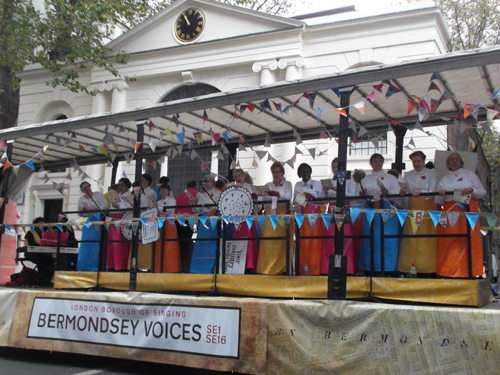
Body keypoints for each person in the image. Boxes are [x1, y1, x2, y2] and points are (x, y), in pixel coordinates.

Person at [437, 152, 486, 278]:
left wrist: (472, 190)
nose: (454, 161)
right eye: (451, 159)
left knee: (470, 239)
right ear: (448, 163)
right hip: (451, 211)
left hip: (468, 210)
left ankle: (472, 270)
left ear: (461, 161)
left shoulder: (470, 175)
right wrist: (440, 193)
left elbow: (482, 192)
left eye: (457, 159)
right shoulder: (444, 179)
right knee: (450, 240)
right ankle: (449, 270)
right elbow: (438, 200)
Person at [357, 154, 401, 274]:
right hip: (370, 211)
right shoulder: (365, 179)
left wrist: (388, 192)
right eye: (375, 161)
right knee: (369, 239)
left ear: (383, 162)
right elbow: (358, 198)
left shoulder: (390, 178)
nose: (377, 163)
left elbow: (397, 194)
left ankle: (388, 267)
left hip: (386, 211)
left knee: (386, 240)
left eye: (380, 161)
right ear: (371, 163)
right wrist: (362, 194)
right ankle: (369, 267)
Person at [398, 151, 438, 275]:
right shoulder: (408, 174)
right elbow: (405, 190)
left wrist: (421, 192)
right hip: (412, 207)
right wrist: (403, 192)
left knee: (425, 237)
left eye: (418, 161)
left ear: (424, 161)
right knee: (411, 236)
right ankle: (408, 266)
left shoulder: (432, 173)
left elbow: (432, 190)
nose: (416, 164)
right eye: (414, 161)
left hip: (427, 207)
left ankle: (428, 267)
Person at [320, 158, 358, 275]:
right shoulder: (331, 181)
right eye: (333, 167)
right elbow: (323, 198)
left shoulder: (350, 181)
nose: (334, 170)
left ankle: (348, 268)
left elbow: (353, 195)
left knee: (345, 237)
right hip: (331, 209)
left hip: (344, 209)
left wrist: (337, 189)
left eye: (336, 167)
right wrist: (326, 191)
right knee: (330, 239)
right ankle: (328, 268)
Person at [257, 162, 293, 275]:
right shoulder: (268, 184)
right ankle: (267, 268)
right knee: (267, 239)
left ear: (282, 173)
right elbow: (262, 201)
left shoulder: (288, 184)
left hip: (283, 213)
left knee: (282, 241)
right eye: (274, 172)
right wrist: (258, 195)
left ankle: (281, 268)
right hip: (269, 214)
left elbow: (288, 197)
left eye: (278, 172)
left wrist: (277, 194)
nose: (276, 174)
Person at [293, 163, 324, 275]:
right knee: (304, 243)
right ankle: (303, 269)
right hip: (303, 215)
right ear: (299, 174)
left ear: (310, 172)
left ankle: (315, 269)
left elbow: (323, 201)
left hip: (316, 215)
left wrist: (312, 198)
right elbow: (295, 203)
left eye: (307, 171)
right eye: (302, 172)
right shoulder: (297, 185)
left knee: (315, 242)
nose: (305, 173)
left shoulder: (318, 184)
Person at [229, 168, 258, 273]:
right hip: (237, 216)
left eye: (239, 176)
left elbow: (255, 202)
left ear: (244, 176)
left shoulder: (250, 187)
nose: (237, 178)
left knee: (248, 239)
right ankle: (237, 263)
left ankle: (249, 264)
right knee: (237, 238)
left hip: (247, 216)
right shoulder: (233, 188)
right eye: (235, 177)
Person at [190, 176, 221, 273]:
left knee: (211, 243)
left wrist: (209, 206)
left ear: (212, 182)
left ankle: (210, 268)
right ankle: (198, 268)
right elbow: (197, 210)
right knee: (201, 243)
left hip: (213, 219)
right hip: (203, 220)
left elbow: (219, 206)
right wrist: (193, 203)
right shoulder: (202, 195)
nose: (205, 183)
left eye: (207, 181)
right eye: (204, 181)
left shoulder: (219, 193)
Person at [76, 181, 108, 271]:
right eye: (84, 188)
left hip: (98, 220)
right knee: (87, 243)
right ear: (82, 190)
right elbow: (79, 212)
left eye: (88, 186)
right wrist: (83, 210)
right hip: (88, 222)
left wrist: (94, 209)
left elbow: (105, 205)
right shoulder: (81, 199)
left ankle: (97, 266)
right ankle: (85, 266)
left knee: (97, 244)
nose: (87, 189)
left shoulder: (97, 195)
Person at [106, 178, 132, 271]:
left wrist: (119, 206)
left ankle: (121, 266)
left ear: (127, 186)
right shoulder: (117, 195)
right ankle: (112, 265)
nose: (120, 187)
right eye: (119, 185)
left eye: (122, 185)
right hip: (113, 219)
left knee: (120, 244)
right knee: (112, 244)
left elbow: (131, 206)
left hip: (123, 218)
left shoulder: (130, 195)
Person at [154, 183, 181, 273]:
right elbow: (155, 211)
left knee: (170, 245)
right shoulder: (159, 201)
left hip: (169, 224)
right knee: (159, 245)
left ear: (169, 191)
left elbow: (169, 210)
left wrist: (157, 209)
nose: (163, 192)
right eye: (161, 190)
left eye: (164, 190)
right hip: (160, 224)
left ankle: (171, 268)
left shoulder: (172, 200)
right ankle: (159, 267)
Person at [175, 180, 199, 272]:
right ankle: (187, 265)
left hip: (179, 219)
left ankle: (181, 264)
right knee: (190, 243)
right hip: (191, 220)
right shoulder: (196, 193)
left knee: (181, 243)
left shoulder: (181, 194)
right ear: (195, 186)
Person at [23, 217, 54, 285]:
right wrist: (41, 245)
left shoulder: (44, 233)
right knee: (42, 261)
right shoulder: (30, 232)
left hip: (42, 253)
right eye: (40, 223)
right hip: (31, 253)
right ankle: (41, 280)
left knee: (52, 260)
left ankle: (46, 279)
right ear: (35, 224)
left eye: (43, 223)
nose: (42, 225)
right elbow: (31, 244)